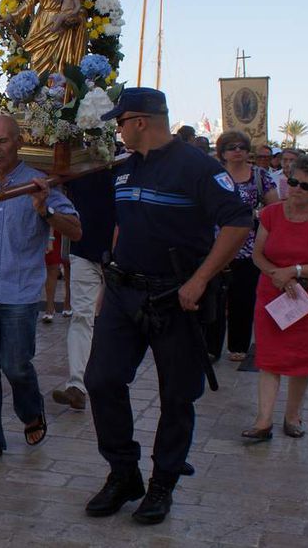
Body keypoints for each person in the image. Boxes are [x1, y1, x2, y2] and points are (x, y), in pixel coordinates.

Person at [84, 88, 252, 524]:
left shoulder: (198, 167)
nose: (117, 130)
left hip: (176, 297)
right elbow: (126, 225)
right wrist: (109, 282)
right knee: (101, 381)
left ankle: (163, 484)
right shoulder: (126, 168)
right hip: (124, 292)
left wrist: (200, 280)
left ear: (140, 121)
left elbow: (238, 222)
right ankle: (124, 474)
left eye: (120, 122)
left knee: (176, 396)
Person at [0, 114, 81, 467]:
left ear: (18, 142)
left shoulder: (40, 183)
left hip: (20, 295)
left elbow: (76, 230)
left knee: (16, 366)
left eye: (2, 141)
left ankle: (32, 412)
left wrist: (45, 210)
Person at [243, 154, 308, 440]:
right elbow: (258, 254)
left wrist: (294, 271)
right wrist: (278, 274)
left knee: (302, 360)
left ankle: (293, 416)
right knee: (269, 358)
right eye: (294, 182)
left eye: (306, 186)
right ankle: (263, 421)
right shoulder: (271, 214)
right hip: (273, 295)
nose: (297, 189)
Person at [50, 168, 116, 411]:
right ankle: (77, 384)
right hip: (84, 252)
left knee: (115, 322)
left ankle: (107, 381)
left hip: (120, 256)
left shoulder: (126, 164)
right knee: (81, 317)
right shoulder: (75, 168)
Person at [213, 130, 278, 362]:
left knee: (243, 298)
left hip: (249, 247)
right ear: (222, 152)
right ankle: (211, 347)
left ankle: (238, 345)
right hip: (217, 247)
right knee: (215, 299)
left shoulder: (260, 176)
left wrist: (253, 214)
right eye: (232, 147)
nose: (237, 151)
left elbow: (275, 209)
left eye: (241, 147)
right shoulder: (214, 176)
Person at [42, 230, 71, 323]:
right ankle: (49, 306)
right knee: (51, 265)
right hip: (53, 224)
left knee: (69, 264)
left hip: (70, 222)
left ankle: (68, 302)